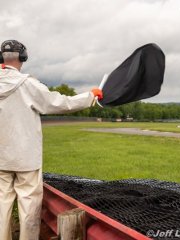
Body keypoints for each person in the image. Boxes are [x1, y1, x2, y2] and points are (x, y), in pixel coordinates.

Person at [0, 40, 103, 240]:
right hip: (26, 158)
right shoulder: (29, 84)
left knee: (1, 203)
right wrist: (90, 96)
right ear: (23, 57)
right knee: (29, 206)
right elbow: (61, 103)